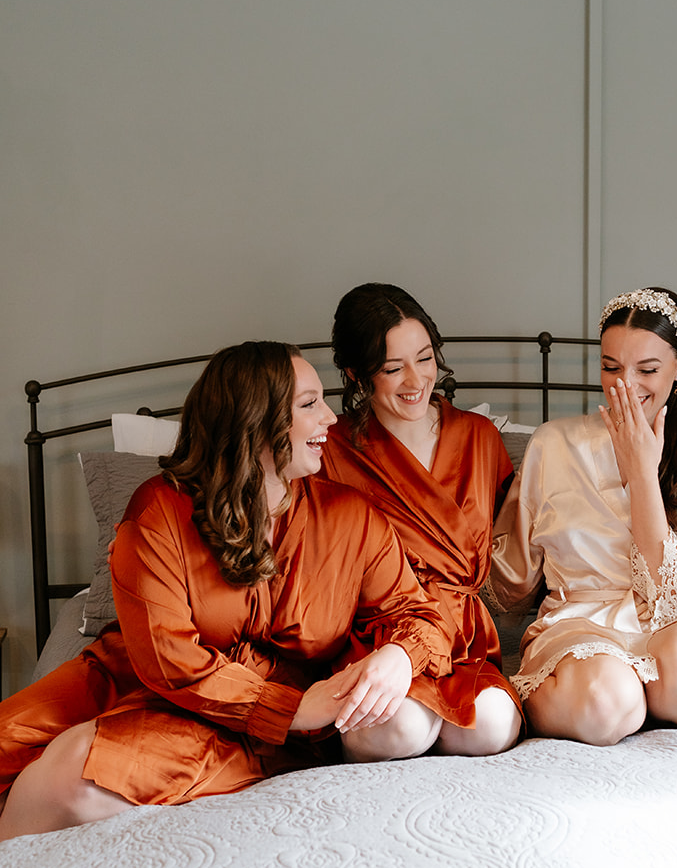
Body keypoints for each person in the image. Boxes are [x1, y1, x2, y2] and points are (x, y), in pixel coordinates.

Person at [0, 342, 452, 841]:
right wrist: (293, 709)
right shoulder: (159, 511)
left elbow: (421, 615)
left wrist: (399, 655)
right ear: (252, 421)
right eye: (308, 405)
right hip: (137, 679)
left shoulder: (352, 517)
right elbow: (169, 661)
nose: (330, 417)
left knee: (69, 777)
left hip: (261, 721)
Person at [489, 287, 677, 744]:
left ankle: (647, 699)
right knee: (606, 701)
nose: (625, 384)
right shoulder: (553, 443)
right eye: (610, 367)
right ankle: (616, 701)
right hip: (575, 627)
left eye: (647, 369)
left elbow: (673, 602)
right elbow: (511, 583)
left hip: (668, 629)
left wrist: (643, 475)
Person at [324, 283, 522, 760]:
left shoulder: (478, 437)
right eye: (393, 368)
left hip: (463, 640)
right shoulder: (328, 449)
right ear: (356, 375)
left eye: (425, 358)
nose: (416, 379)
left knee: (489, 728)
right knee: (402, 729)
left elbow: (518, 554)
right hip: (378, 635)